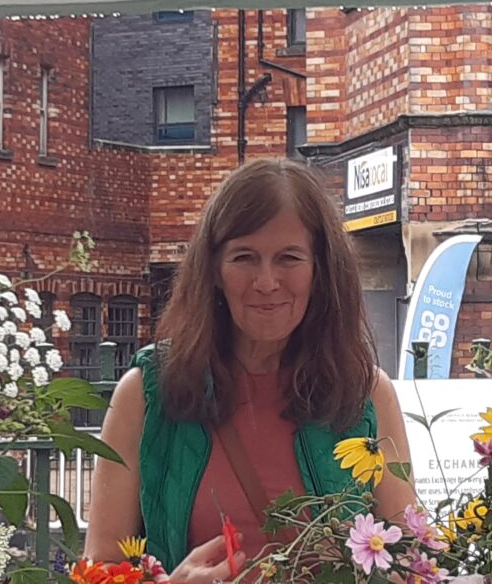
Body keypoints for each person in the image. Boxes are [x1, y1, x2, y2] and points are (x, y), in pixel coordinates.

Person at [85, 158, 417, 582]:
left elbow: (411, 559)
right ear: (214, 271)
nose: (266, 281)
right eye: (244, 258)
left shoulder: (364, 394)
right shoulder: (147, 393)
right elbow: (98, 568)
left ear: (321, 270)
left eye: (289, 258)